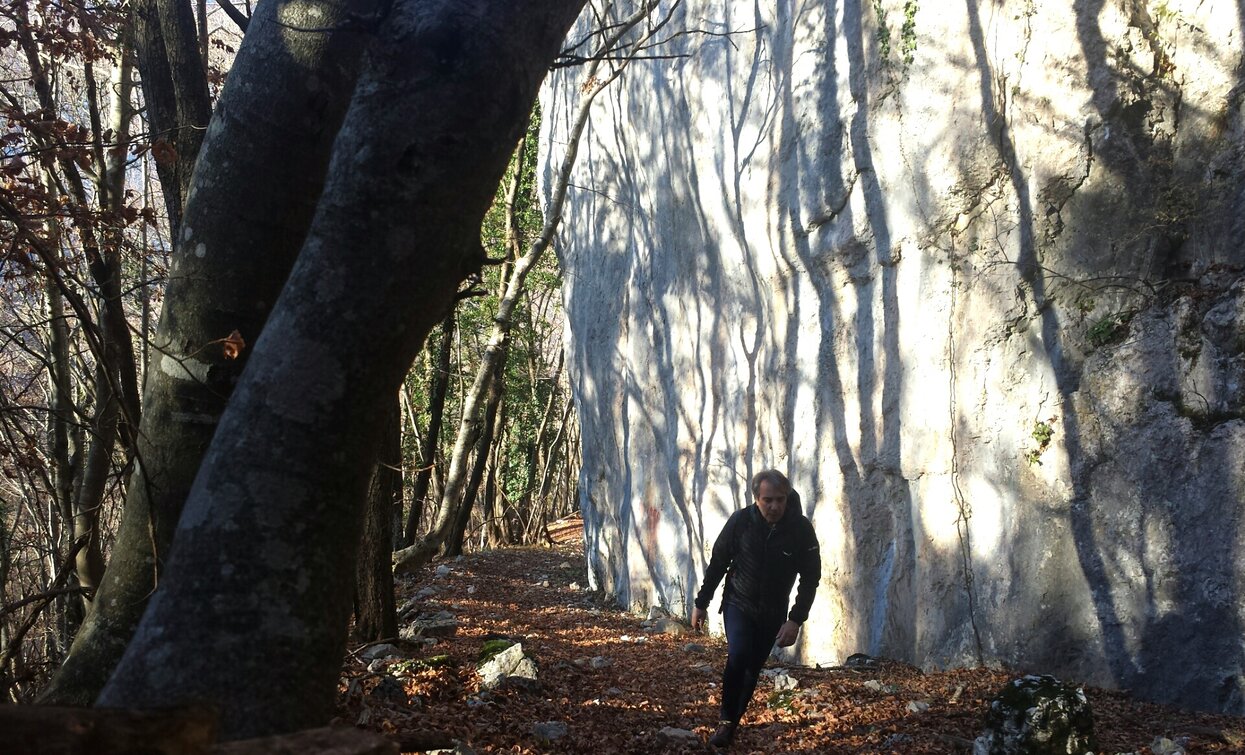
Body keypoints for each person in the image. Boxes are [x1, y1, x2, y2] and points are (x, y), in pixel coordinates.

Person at [691, 469, 821, 749]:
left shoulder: (800, 530)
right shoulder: (741, 522)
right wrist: (702, 603)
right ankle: (726, 721)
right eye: (767, 500)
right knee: (738, 655)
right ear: (756, 499)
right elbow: (718, 562)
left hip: (773, 611)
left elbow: (811, 578)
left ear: (787, 498)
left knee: (753, 668)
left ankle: (733, 721)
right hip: (738, 602)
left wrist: (795, 620)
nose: (774, 506)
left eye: (779, 500)